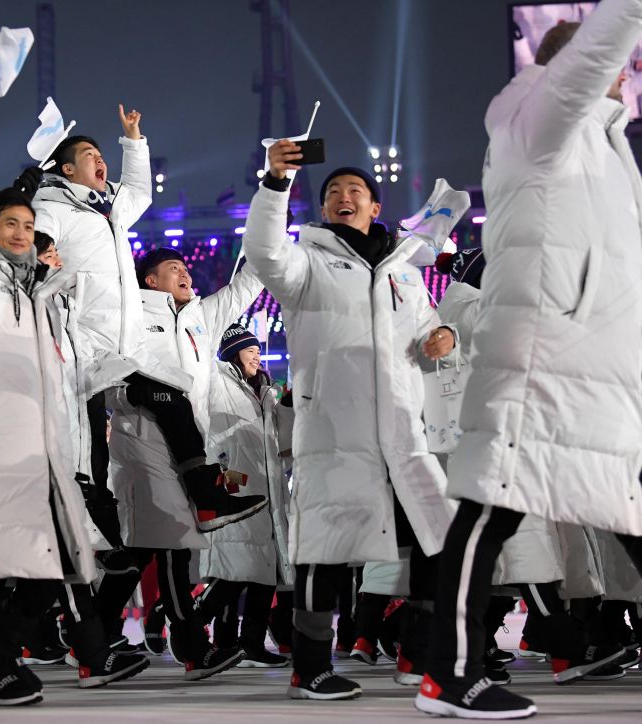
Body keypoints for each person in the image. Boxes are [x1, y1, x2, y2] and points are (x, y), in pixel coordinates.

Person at [419, 2, 642, 717]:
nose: (625, 73)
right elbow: (588, 62)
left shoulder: (610, 149)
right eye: (613, 60)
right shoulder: (537, 125)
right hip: (542, 357)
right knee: (492, 511)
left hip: (603, 367)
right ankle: (448, 675)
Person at [0, 151, 148, 706]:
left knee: (59, 564)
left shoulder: (39, 292)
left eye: (27, 225)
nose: (21, 233)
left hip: (42, 450)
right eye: (10, 224)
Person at [243, 144, 458, 702]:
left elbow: (428, 333)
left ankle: (418, 651)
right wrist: (275, 183)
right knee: (326, 551)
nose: (343, 197)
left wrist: (444, 339)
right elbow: (263, 252)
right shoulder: (305, 262)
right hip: (337, 432)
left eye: (353, 191)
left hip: (404, 436)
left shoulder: (404, 273)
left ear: (374, 204)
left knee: (438, 538)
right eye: (333, 192)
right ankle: (310, 666)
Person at [33, 107, 267, 537]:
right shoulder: (51, 206)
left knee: (171, 397)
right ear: (66, 168)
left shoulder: (108, 210)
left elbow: (139, 192)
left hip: (121, 347)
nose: (100, 159)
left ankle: (204, 494)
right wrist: (40, 251)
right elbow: (34, 243)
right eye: (89, 154)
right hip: (82, 342)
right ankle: (94, 527)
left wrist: (133, 141)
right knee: (88, 452)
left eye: (101, 154)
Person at [96, 245, 265, 680]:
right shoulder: (129, 312)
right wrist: (128, 395)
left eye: (186, 267)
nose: (185, 272)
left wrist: (268, 238)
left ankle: (90, 637)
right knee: (173, 541)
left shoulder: (202, 316)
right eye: (174, 268)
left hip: (192, 448)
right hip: (143, 441)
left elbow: (249, 283)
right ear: (150, 280)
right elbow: (105, 373)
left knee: (143, 548)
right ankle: (192, 647)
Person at [195, 324, 294, 668]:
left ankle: (251, 643)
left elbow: (284, 444)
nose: (256, 355)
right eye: (249, 350)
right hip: (236, 488)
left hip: (269, 494)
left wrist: (287, 404)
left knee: (264, 571)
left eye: (257, 350)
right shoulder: (217, 381)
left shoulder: (266, 393)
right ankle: (190, 625)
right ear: (232, 353)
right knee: (235, 572)